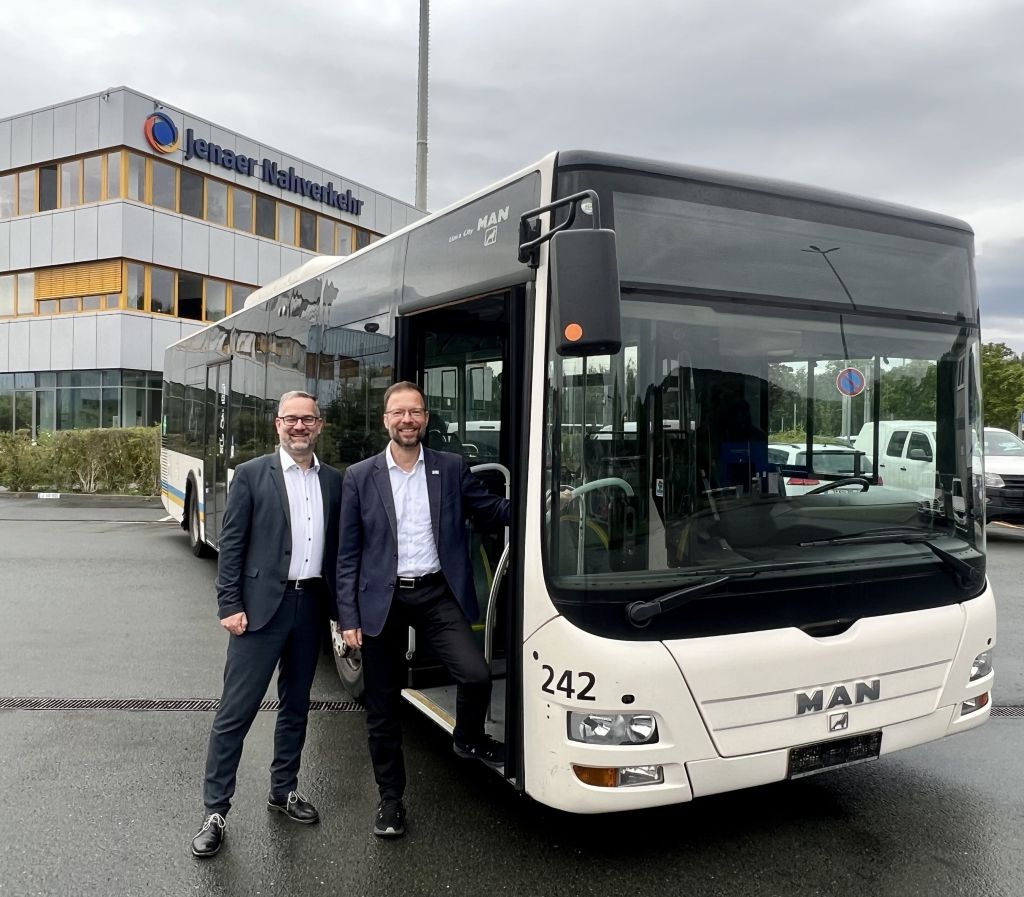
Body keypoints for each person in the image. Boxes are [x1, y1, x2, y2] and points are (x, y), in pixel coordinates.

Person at [336, 381, 509, 839]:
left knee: (475, 674)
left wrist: (541, 505)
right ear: (386, 420)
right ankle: (391, 800)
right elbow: (347, 554)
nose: (407, 420)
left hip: (436, 592)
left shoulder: (450, 468)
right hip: (382, 598)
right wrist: (348, 617)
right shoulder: (360, 476)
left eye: (415, 412)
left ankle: (468, 738)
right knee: (382, 707)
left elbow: (490, 509)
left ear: (426, 419)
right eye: (399, 412)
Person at [190, 391, 342, 859]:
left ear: (319, 426)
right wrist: (229, 604)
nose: (299, 427)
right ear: (278, 425)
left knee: (296, 706)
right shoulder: (253, 475)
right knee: (235, 712)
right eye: (291, 419)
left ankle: (283, 790)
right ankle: (215, 812)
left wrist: (341, 614)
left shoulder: (333, 481)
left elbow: (339, 552)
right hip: (258, 612)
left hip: (310, 606)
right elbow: (232, 544)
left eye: (308, 419)